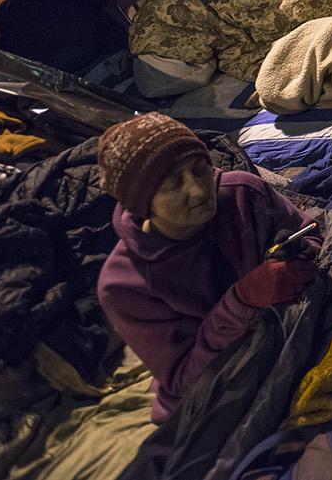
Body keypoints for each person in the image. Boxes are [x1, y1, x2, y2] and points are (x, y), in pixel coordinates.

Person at [96, 113, 320, 421]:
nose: (200, 191)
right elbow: (185, 380)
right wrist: (241, 302)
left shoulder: (243, 193)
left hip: (295, 335)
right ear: (142, 203)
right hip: (225, 387)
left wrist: (303, 253)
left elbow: (314, 233)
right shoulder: (124, 285)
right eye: (174, 185)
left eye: (200, 170)